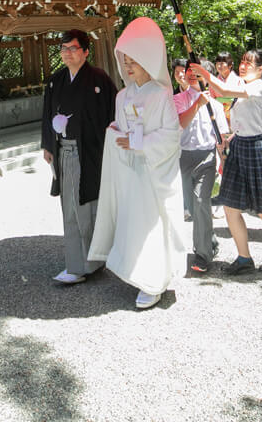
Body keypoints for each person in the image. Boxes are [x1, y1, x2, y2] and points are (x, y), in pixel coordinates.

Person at [89, 17, 187, 309]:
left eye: (134, 60)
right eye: (125, 61)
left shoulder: (162, 95)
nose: (128, 66)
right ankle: (134, 272)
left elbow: (171, 136)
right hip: (131, 170)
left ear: (148, 61)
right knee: (131, 222)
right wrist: (115, 134)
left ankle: (154, 282)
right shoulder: (122, 96)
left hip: (154, 173)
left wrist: (139, 143)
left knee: (152, 225)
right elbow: (120, 127)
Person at [192, 50, 262, 274]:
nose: (242, 66)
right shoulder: (244, 88)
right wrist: (231, 136)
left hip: (258, 149)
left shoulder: (259, 87)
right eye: (241, 62)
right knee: (231, 208)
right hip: (240, 145)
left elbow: (222, 89)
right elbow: (242, 118)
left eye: (248, 64)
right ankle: (244, 258)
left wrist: (204, 72)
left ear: (261, 69)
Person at [40, 28, 117, 285]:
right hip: (66, 152)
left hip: (92, 152)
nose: (67, 53)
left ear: (86, 51)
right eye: (63, 49)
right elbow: (47, 115)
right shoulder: (56, 80)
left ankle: (89, 262)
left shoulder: (99, 79)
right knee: (73, 208)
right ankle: (81, 264)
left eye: (73, 48)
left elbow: (113, 115)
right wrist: (48, 146)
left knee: (88, 207)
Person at [171, 58, 229, 273]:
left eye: (197, 71)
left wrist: (224, 160)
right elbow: (180, 124)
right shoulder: (177, 100)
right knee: (191, 207)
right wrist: (197, 105)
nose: (191, 74)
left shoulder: (215, 104)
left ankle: (203, 254)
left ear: (207, 76)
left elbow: (221, 137)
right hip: (182, 157)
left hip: (206, 158)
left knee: (200, 200)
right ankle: (209, 238)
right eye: (189, 70)